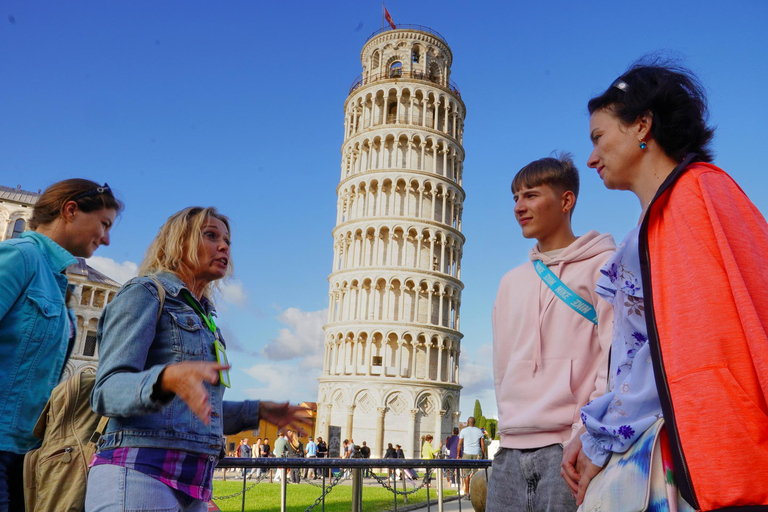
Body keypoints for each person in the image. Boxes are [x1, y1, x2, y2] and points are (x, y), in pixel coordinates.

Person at [566, 61, 768, 511]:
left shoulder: (689, 199)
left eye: (598, 137)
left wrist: (601, 439)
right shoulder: (670, 211)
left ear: (642, 124)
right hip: (671, 442)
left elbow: (685, 352)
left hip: (686, 456)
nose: (592, 158)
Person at [84, 206, 309, 511]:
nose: (224, 246)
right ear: (179, 243)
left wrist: (257, 411)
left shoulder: (206, 317)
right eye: (211, 235)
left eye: (227, 239)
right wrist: (165, 379)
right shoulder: (145, 293)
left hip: (194, 484)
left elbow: (194, 409)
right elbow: (106, 391)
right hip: (139, 471)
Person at [486, 153, 615, 512]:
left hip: (570, 450)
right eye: (515, 197)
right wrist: (508, 425)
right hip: (509, 452)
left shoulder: (605, 266)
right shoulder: (509, 282)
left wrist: (586, 433)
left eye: (530, 195)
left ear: (566, 200)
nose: (518, 206)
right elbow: (501, 369)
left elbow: (616, 356)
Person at [0, 179, 121, 512]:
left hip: (24, 452)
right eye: (104, 224)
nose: (107, 239)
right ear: (71, 210)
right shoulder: (20, 256)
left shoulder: (56, 282)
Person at [457, 417, 485, 499]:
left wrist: (458, 455)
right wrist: (483, 455)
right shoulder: (479, 431)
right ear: (475, 422)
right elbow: (482, 445)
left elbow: (459, 444)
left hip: (467, 453)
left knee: (466, 473)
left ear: (467, 422)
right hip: (476, 453)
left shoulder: (463, 431)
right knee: (475, 474)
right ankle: (474, 492)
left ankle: (467, 493)